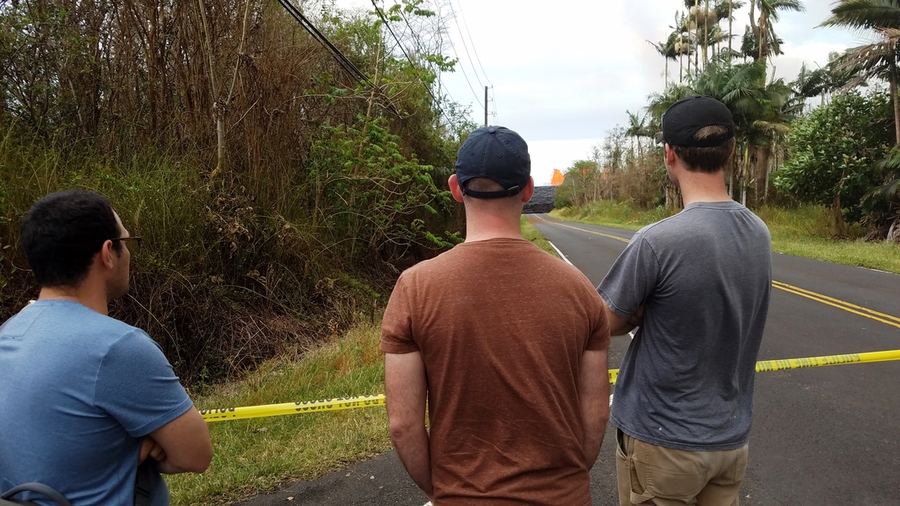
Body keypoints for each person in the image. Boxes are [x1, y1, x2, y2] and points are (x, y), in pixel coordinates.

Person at [381, 126, 611, 505]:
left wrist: (444, 491)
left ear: (456, 188)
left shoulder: (415, 288)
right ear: (528, 190)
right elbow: (596, 416)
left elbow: (403, 426)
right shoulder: (579, 288)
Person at [597, 96, 772, 506]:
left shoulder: (658, 242)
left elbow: (605, 320)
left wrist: (641, 313)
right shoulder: (758, 232)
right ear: (729, 151)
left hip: (664, 442)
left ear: (669, 154)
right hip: (729, 441)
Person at [0, 189, 213, 505]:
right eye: (127, 243)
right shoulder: (119, 348)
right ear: (107, 253)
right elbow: (196, 455)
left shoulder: (8, 334)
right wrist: (142, 449)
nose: (128, 253)